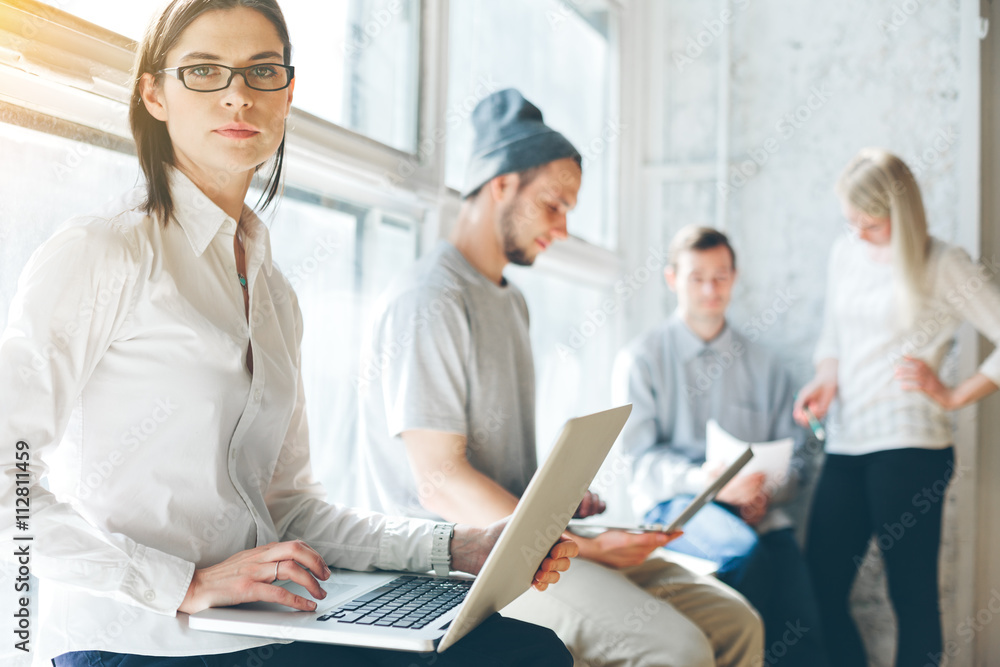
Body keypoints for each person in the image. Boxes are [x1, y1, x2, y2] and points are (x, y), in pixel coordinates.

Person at [0, 2, 577, 665]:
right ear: (153, 93)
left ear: (288, 93)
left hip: (265, 625)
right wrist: (183, 581)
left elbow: (293, 509)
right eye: (204, 71)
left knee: (523, 650)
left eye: (261, 70)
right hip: (135, 640)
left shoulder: (273, 290)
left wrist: (457, 547)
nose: (238, 94)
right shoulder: (103, 252)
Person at [356, 88, 763, 667]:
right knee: (675, 647)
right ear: (502, 184)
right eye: (553, 204)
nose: (563, 228)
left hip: (531, 543)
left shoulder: (509, 302)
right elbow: (440, 483)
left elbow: (498, 471)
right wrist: (575, 546)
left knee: (735, 621)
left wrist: (559, 502)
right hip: (460, 563)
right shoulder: (432, 299)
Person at [793, 148, 1000, 667]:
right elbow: (833, 338)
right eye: (851, 222)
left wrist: (954, 394)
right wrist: (824, 380)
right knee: (818, 585)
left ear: (901, 215)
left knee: (910, 599)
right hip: (847, 441)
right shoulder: (845, 254)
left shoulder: (942, 262)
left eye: (872, 223)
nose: (859, 233)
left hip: (911, 450)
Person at [611, 225, 829, 667]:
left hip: (760, 515)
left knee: (804, 625)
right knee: (741, 558)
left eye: (721, 276)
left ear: (735, 277)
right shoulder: (641, 360)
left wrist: (767, 492)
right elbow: (638, 463)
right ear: (672, 279)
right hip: (677, 508)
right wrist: (707, 483)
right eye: (697, 277)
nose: (711, 289)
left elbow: (799, 458)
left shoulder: (767, 366)